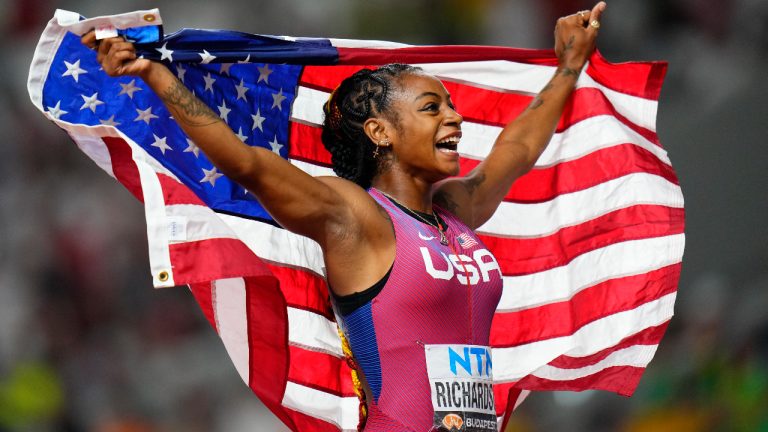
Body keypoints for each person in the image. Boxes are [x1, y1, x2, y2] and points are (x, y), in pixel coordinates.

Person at [82, 2, 606, 430]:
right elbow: (246, 164)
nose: (454, 116)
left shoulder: (454, 211)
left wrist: (568, 67)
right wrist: (152, 72)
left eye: (449, 105)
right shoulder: (355, 216)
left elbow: (515, 151)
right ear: (380, 132)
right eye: (431, 107)